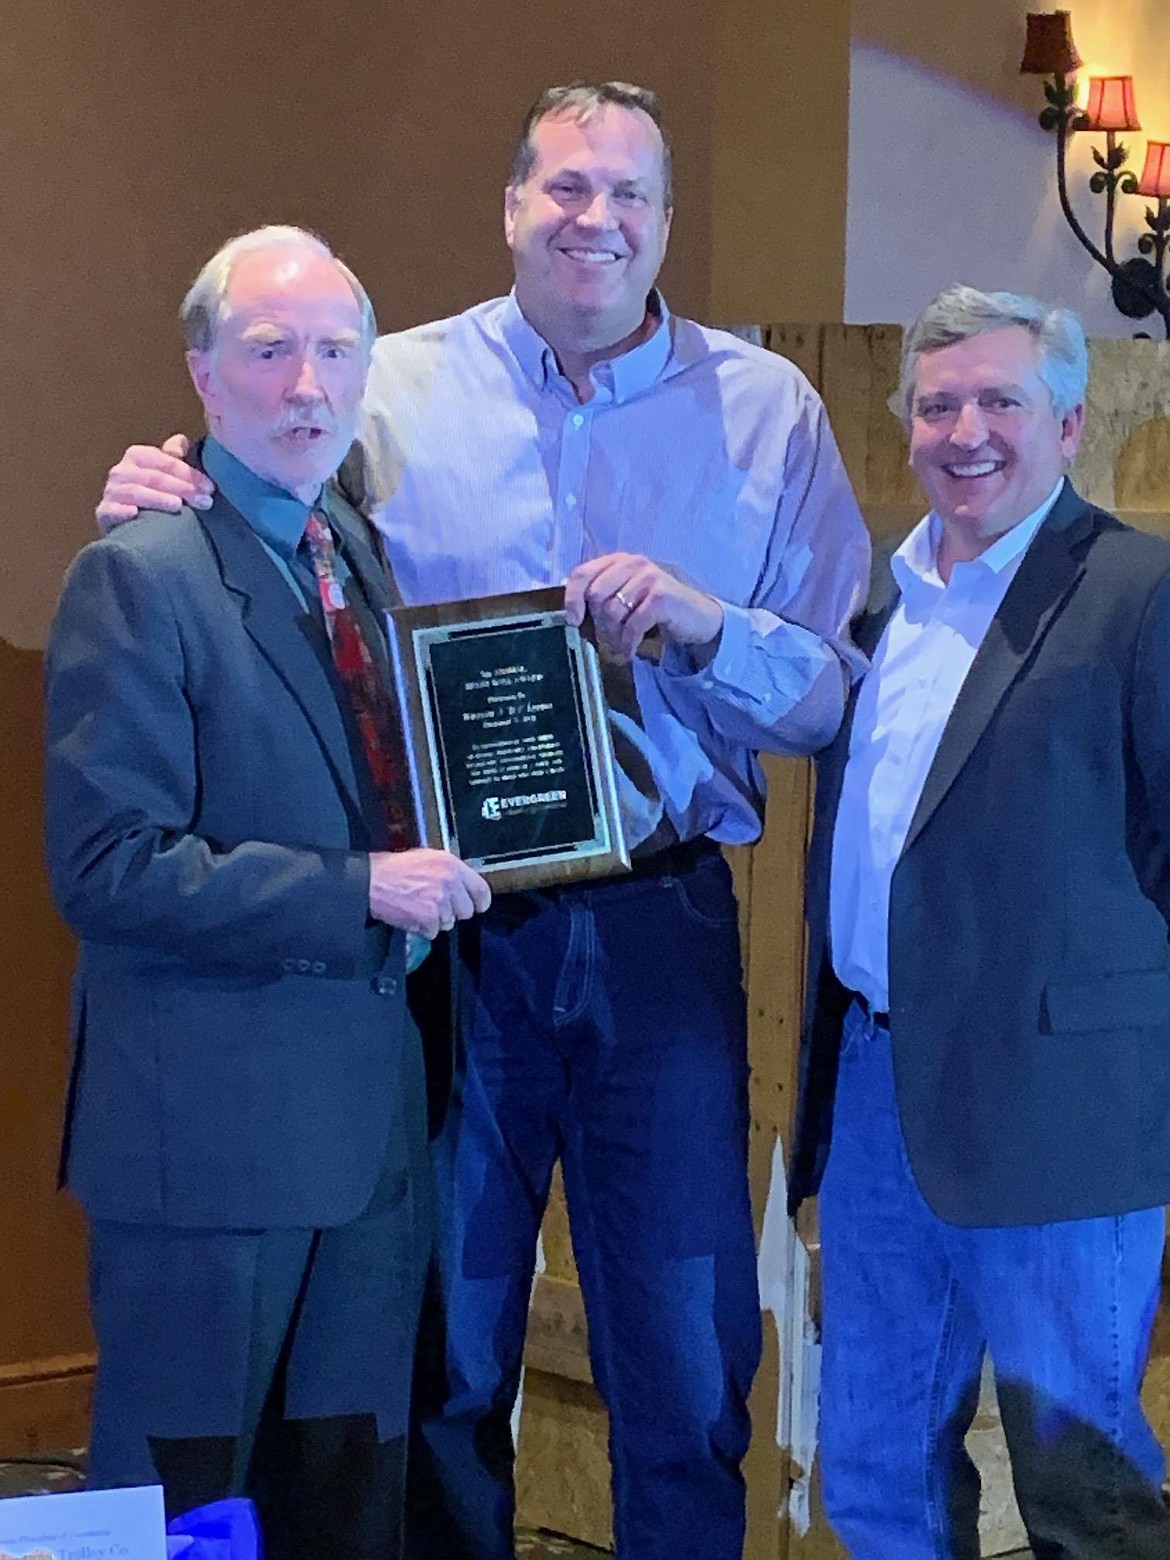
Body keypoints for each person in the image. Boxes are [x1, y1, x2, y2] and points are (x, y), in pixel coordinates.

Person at [96, 82, 868, 1560]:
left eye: (628, 194)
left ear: (662, 224)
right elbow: (254, 531)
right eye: (565, 188)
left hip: (662, 927)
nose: (596, 219)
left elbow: (833, 696)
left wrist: (709, 629)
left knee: (685, 1346)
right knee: (442, 1349)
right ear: (513, 206)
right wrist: (161, 488)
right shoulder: (384, 385)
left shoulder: (766, 413)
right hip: (444, 930)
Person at [46, 226, 491, 1560]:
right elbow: (108, 867)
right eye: (269, 350)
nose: (307, 383)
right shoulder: (138, 574)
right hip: (209, 1147)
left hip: (364, 1138)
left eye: (335, 351)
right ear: (201, 374)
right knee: (179, 1506)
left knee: (343, 1501)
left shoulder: (347, 544)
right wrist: (361, 891)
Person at [789, 284, 1170, 1558]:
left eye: (1001, 400)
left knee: (1085, 1491)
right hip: (878, 1094)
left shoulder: (1139, 594)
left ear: (1067, 426)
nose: (967, 431)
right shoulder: (881, 614)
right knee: (876, 1472)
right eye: (938, 404)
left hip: (1064, 1115)